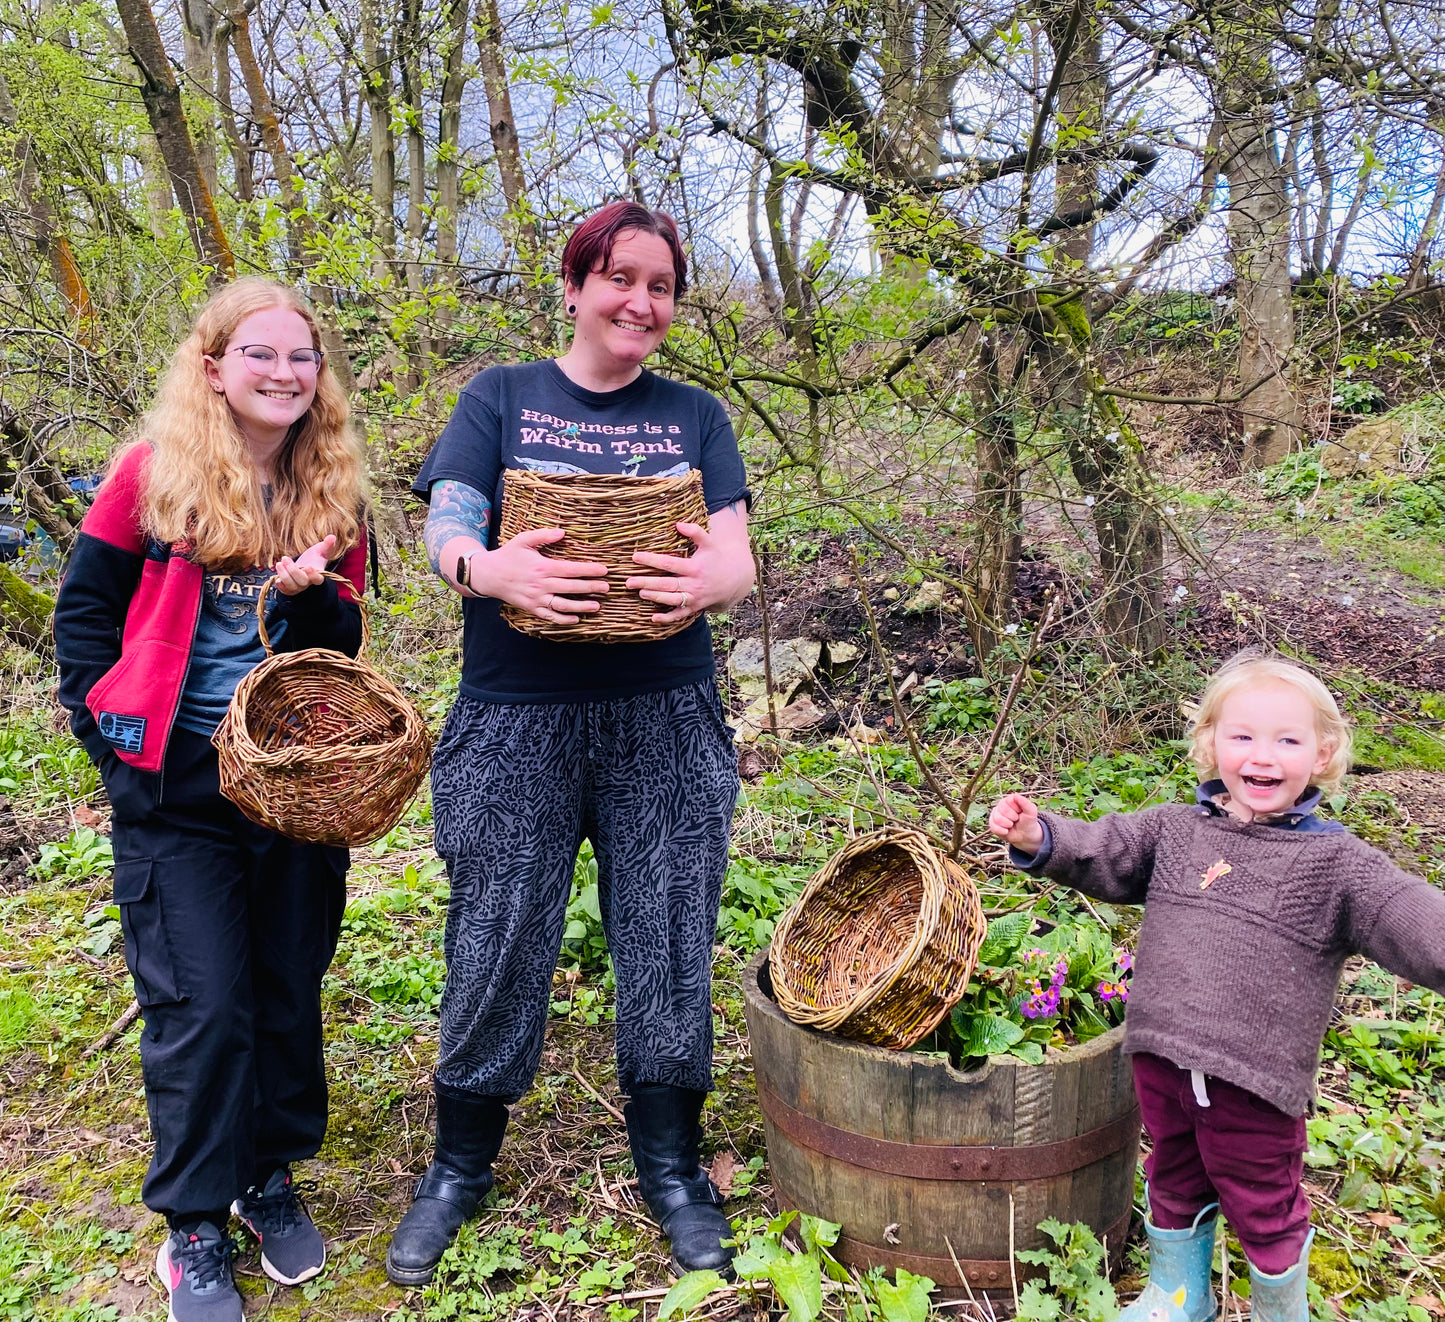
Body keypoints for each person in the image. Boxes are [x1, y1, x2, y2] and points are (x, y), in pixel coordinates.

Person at [389, 201, 753, 1287]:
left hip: (664, 714)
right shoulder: (498, 396)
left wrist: (712, 580)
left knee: (668, 929)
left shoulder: (695, 414)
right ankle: (458, 1166)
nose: (641, 302)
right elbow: (445, 521)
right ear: (573, 284)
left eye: (661, 286)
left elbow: (735, 553)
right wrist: (486, 568)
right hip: (514, 716)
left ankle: (673, 1166)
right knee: (495, 929)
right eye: (620, 278)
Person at [54, 279, 368, 1322]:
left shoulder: (333, 490)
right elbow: (85, 622)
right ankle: (192, 1219)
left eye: (302, 356)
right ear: (214, 366)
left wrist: (312, 594)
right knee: (204, 1006)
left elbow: (341, 654)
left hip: (294, 789)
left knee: (285, 987)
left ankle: (265, 1172)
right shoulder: (150, 477)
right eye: (262, 354)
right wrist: (116, 757)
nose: (285, 373)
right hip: (178, 791)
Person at [988, 653, 1445, 1322]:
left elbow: (1409, 917)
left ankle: (1276, 1312)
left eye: (1286, 740)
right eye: (1242, 736)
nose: (1262, 756)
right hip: (1161, 1059)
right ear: (1209, 744)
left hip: (1253, 1082)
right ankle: (1177, 1295)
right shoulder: (1173, 829)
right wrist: (1039, 834)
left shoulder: (1336, 865)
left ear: (1321, 755)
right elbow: (1102, 850)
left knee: (1262, 1202)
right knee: (1171, 1172)